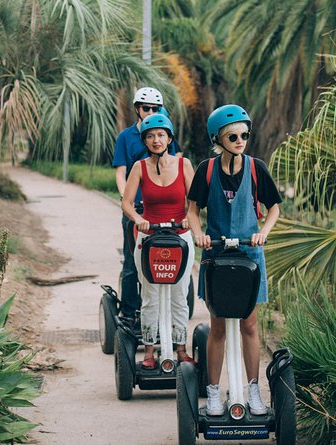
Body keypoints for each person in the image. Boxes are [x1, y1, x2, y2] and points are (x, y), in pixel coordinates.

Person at [186, 104, 282, 416]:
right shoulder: (207, 170)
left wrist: (263, 232)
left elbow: (274, 208)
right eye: (234, 135)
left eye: (245, 134)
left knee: (250, 325)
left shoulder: (257, 168)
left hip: (249, 255)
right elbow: (192, 210)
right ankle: (214, 393)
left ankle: (253, 391)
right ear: (220, 138)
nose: (241, 140)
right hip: (216, 255)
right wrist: (199, 233)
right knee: (217, 327)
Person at [121, 113, 195, 369]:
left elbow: (196, 201)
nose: (156, 140)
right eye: (151, 136)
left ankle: (181, 349)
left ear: (169, 138)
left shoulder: (184, 165)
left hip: (180, 237)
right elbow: (127, 203)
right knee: (150, 295)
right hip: (148, 236)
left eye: (161, 135)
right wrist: (138, 218)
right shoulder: (139, 168)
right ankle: (150, 352)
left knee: (179, 294)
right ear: (145, 140)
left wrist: (188, 217)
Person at [112, 87, 183, 326]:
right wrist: (127, 200)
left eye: (155, 108)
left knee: (171, 256)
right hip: (138, 211)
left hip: (164, 211)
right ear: (137, 109)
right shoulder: (126, 137)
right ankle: (130, 312)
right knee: (134, 261)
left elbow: (177, 166)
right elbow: (121, 172)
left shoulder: (164, 134)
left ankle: (170, 312)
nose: (150, 112)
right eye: (146, 108)